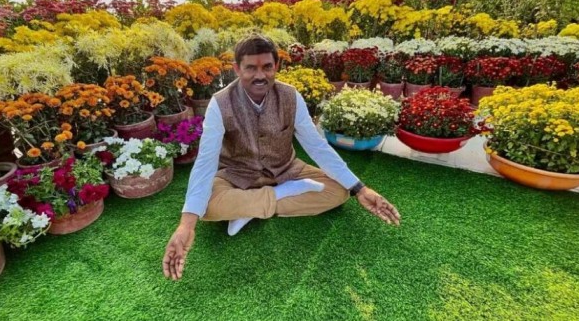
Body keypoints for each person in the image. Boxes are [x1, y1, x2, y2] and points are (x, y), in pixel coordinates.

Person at [162, 34, 401, 281]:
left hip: (287, 169)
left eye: (267, 67)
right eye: (250, 68)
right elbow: (205, 162)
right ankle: (278, 196)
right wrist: (186, 226)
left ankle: (249, 208)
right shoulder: (219, 103)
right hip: (237, 176)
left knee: (339, 192)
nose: (260, 75)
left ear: (276, 66)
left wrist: (360, 189)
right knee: (205, 207)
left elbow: (317, 147)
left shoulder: (290, 96)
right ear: (236, 69)